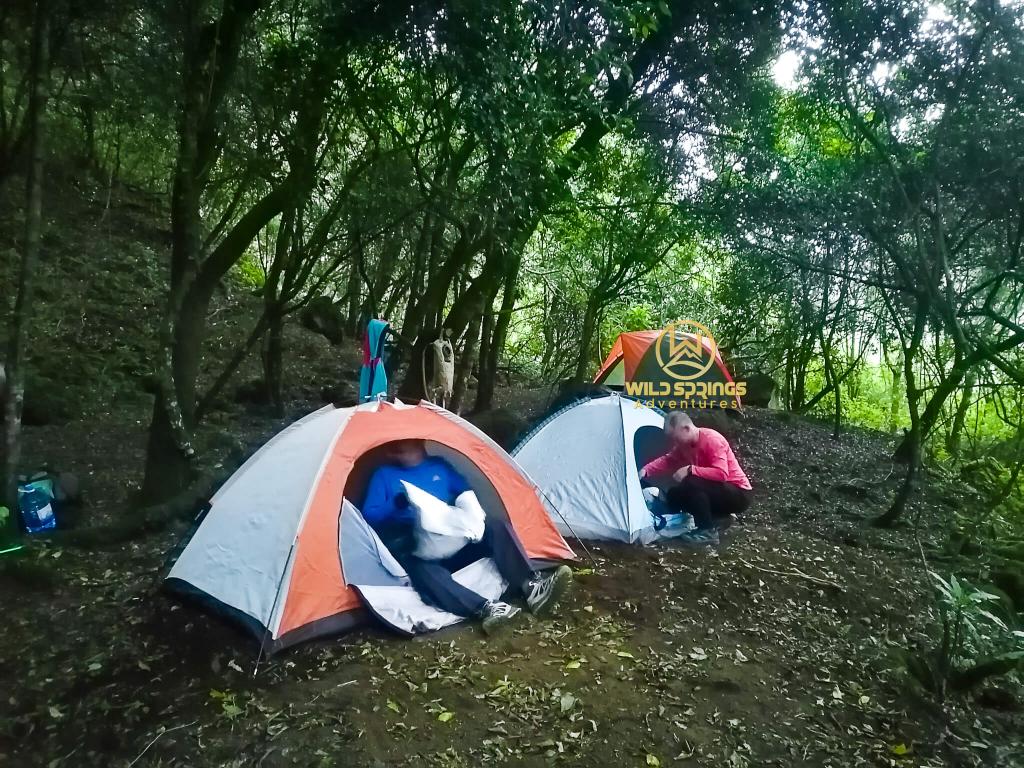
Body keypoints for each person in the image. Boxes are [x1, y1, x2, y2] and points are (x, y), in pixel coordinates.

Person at [362, 439, 573, 633]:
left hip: (451, 535)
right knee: (421, 570)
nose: (405, 453)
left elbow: (465, 492)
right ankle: (485, 608)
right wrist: (396, 505)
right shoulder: (384, 474)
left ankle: (531, 586)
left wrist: (468, 516)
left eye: (409, 447)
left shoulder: (439, 466)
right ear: (393, 453)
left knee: (495, 526)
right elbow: (369, 515)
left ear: (420, 445)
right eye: (399, 450)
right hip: (417, 543)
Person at [639, 412, 752, 546]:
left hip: (739, 493)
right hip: (715, 491)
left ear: (686, 428)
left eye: (676, 438)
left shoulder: (711, 439)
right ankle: (717, 518)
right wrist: (646, 470)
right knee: (675, 493)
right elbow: (668, 460)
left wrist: (690, 469)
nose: (675, 442)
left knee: (691, 482)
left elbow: (722, 474)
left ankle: (708, 531)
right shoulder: (684, 446)